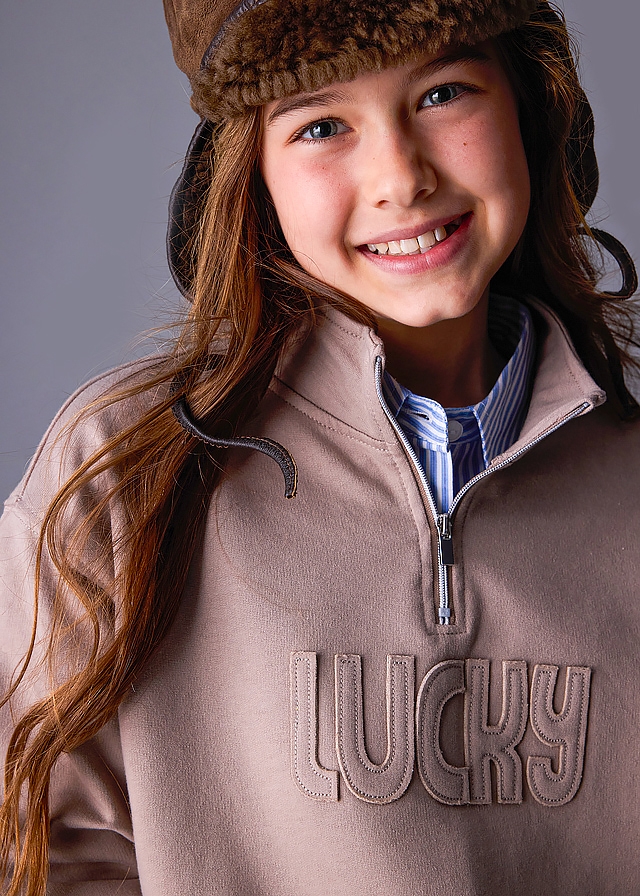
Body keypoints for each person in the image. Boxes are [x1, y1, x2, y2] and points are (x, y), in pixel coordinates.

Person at [1, 0, 639, 893]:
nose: (400, 178)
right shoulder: (121, 477)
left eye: (445, 92)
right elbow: (42, 854)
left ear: (531, 107)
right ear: (250, 175)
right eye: (322, 125)